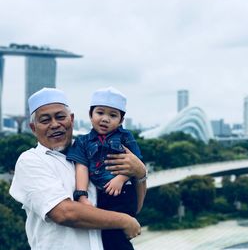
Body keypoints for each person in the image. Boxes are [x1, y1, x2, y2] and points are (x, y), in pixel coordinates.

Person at [9, 87, 147, 250]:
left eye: (60, 117)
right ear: (33, 128)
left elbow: (136, 207)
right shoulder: (31, 160)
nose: (54, 124)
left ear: (72, 119)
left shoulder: (92, 150)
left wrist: (140, 174)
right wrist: (124, 221)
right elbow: (65, 213)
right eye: (45, 120)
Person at [66, 87, 145, 250]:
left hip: (123, 192)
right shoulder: (83, 141)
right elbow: (81, 167)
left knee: (115, 236)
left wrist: (120, 179)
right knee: (103, 234)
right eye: (100, 113)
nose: (105, 119)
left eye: (113, 115)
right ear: (90, 115)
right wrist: (81, 195)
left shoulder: (125, 137)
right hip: (101, 195)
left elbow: (135, 163)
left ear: (121, 120)